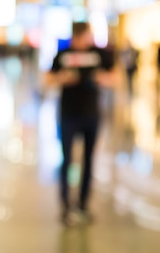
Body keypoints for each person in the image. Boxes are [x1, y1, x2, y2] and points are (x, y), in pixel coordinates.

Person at [46, 22, 116, 226]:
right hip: (68, 114)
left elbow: (115, 77)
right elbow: (48, 79)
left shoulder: (100, 54)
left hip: (91, 114)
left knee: (88, 160)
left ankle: (83, 204)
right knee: (67, 160)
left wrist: (101, 78)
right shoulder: (63, 54)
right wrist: (62, 78)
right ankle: (66, 205)